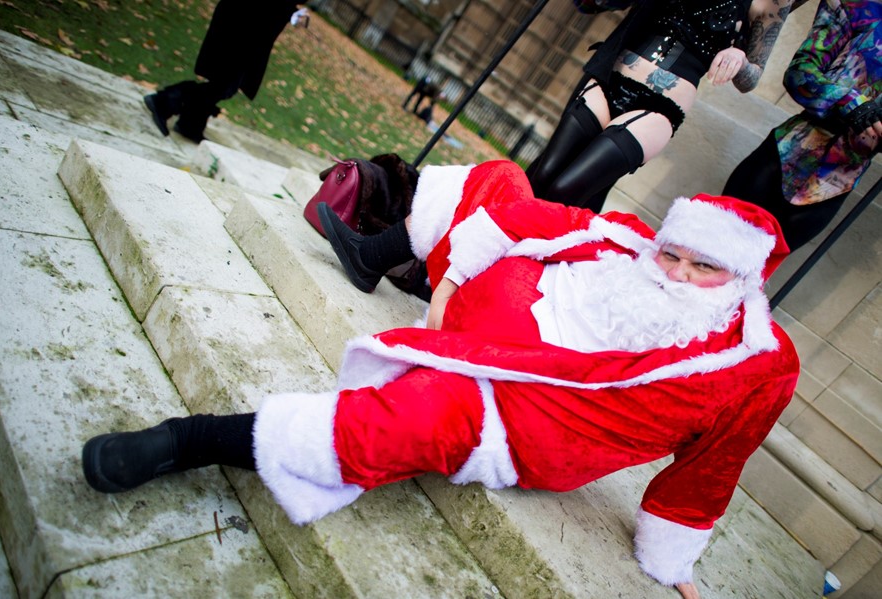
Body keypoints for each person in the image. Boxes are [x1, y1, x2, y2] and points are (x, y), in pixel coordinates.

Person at [82, 161, 798, 599]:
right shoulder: (625, 240)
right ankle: (374, 254)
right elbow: (522, 216)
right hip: (480, 313)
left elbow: (713, 465)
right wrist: (453, 280)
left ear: (741, 279)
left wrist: (669, 555)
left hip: (517, 410)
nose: (677, 274)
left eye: (702, 268)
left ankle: (190, 439)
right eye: (673, 255)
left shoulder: (755, 363)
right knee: (502, 183)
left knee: (405, 418)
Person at [525, 0, 795, 213]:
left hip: (658, 108)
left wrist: (740, 57)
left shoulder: (773, 1)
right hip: (609, 78)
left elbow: (752, 77)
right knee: (539, 178)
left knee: (565, 190)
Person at [723, 0, 880, 251]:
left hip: (834, 184)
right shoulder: (860, 7)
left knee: (748, 278)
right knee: (703, 246)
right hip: (785, 156)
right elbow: (801, 73)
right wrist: (853, 103)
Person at [143, 0, 299, 143]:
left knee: (224, 82)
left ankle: (190, 125)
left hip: (250, 22)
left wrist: (292, 13)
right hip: (245, 23)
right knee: (226, 85)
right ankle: (165, 101)